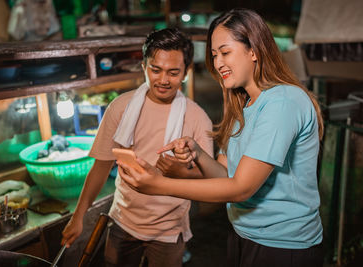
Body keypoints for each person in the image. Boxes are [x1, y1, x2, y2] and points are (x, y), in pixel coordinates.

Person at [117, 8, 325, 267]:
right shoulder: (244, 106)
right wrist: (198, 153)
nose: (217, 63)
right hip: (244, 234)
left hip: (282, 245)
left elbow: (241, 188)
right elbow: (227, 176)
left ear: (254, 50)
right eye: (214, 55)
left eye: (225, 52)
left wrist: (157, 185)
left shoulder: (282, 101)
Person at [61, 28, 213, 267]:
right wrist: (78, 216)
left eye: (173, 72)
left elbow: (210, 182)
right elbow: (100, 168)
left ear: (186, 72)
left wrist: (181, 172)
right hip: (123, 220)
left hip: (169, 228)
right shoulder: (120, 108)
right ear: (143, 66)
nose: (163, 80)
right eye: (156, 70)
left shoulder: (197, 118)